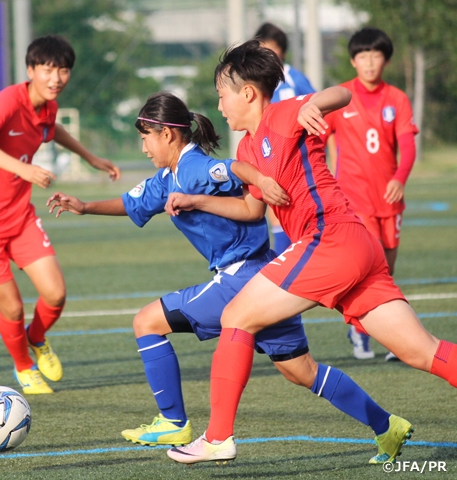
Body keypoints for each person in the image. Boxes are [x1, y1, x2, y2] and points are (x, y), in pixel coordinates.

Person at [48, 92, 410, 463]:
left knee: (146, 322)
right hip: (267, 275)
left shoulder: (192, 169)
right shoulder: (167, 178)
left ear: (168, 135)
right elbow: (131, 203)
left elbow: (233, 168)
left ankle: (175, 422)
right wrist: (85, 206)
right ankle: (387, 425)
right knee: (302, 372)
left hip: (241, 276)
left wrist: (262, 182)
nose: (143, 147)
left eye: (146, 137)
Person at [165, 40, 457, 465]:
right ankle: (384, 429)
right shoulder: (248, 149)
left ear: (247, 92)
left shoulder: (283, 114)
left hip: (331, 238)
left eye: (221, 94)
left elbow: (343, 94)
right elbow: (251, 209)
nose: (219, 105)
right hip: (353, 247)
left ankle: (217, 437)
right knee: (421, 351)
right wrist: (197, 201)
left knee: (235, 317)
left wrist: (312, 105)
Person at [0, 35, 120, 395]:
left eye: (63, 70)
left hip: (19, 216)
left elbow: (51, 129)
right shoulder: (9, 100)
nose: (56, 77)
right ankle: (24, 367)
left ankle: (36, 338)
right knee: (12, 306)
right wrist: (24, 170)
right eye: (47, 69)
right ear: (31, 71)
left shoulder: (49, 107)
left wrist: (91, 158)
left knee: (55, 294)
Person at [321, 28, 418, 361]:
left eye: (376, 55)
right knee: (371, 267)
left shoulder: (397, 99)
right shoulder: (341, 96)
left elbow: (406, 144)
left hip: (389, 200)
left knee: (387, 272)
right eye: (362, 56)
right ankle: (362, 332)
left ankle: (390, 336)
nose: (369, 62)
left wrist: (400, 177)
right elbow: (317, 140)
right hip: (354, 199)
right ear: (353, 60)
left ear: (386, 60)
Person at [254, 22, 316, 255]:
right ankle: (284, 263)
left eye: (271, 48)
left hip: (295, 156)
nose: (267, 54)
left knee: (297, 213)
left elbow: (316, 105)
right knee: (275, 212)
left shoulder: (295, 79)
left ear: (282, 50)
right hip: (268, 153)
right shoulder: (257, 80)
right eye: (262, 49)